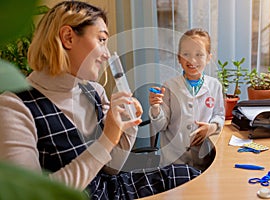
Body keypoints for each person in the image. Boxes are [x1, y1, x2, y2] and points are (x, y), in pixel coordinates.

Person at [0, 1, 200, 199]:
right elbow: (31, 195)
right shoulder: (15, 108)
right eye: (101, 40)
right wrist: (107, 139)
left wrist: (127, 127)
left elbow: (111, 169)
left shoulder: (92, 91)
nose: (106, 54)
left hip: (111, 188)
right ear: (68, 37)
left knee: (188, 176)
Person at [149, 28, 225, 171]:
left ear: (209, 58)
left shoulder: (215, 86)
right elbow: (161, 126)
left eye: (199, 54)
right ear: (179, 58)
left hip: (204, 161)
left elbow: (219, 115)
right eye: (186, 54)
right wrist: (155, 108)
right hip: (173, 162)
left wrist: (212, 127)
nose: (192, 60)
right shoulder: (170, 86)